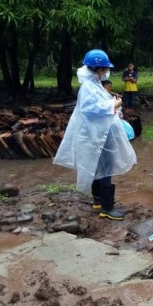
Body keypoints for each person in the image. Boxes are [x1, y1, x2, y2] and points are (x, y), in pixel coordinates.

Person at [54, 49, 137, 220]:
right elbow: (90, 109)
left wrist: (110, 102)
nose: (106, 72)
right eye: (105, 69)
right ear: (99, 69)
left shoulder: (93, 84)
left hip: (97, 133)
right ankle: (107, 208)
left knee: (97, 167)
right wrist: (114, 104)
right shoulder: (88, 87)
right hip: (98, 135)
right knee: (106, 169)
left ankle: (98, 200)